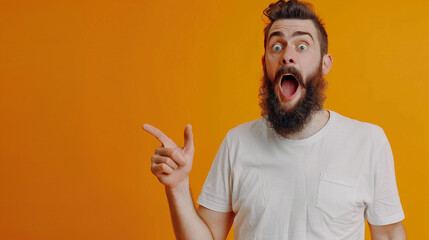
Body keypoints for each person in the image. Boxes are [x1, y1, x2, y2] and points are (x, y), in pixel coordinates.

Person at [143, 0, 406, 239]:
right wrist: (177, 186)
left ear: (325, 64)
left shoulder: (367, 141)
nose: (287, 55)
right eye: (277, 46)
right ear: (264, 63)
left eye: (302, 46)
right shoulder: (238, 142)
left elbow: (389, 234)